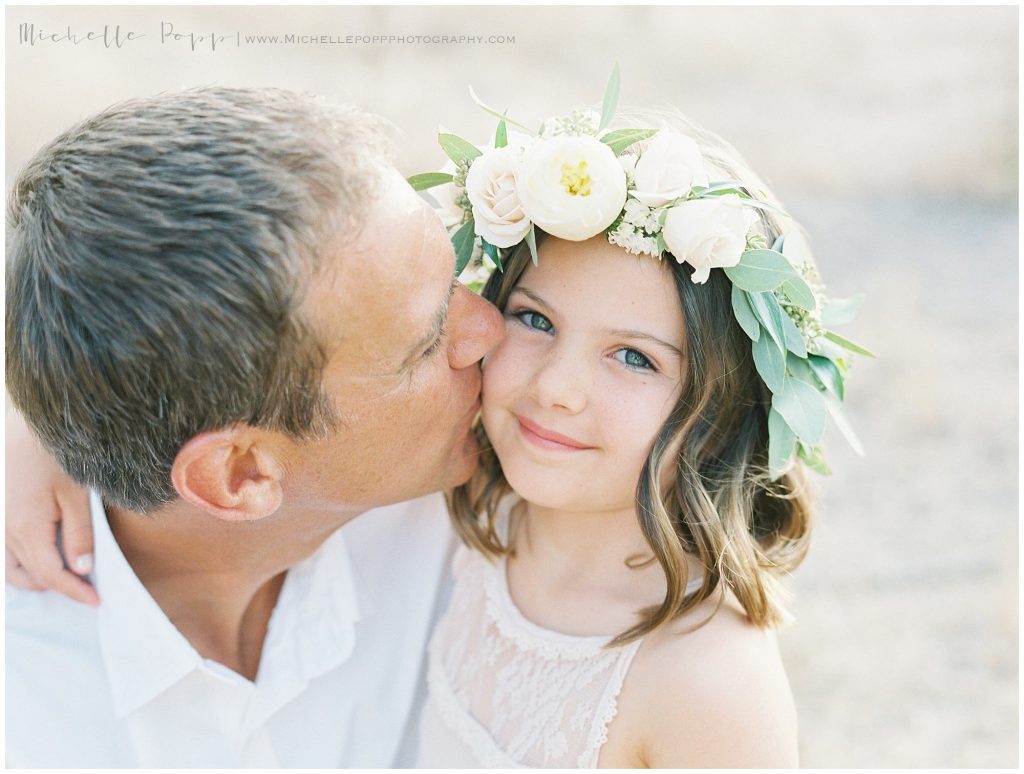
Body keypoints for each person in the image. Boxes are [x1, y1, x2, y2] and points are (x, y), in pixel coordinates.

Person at [4, 86, 503, 767]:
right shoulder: (27, 715)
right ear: (241, 476)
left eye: (456, 274)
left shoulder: (502, 477)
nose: (491, 330)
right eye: (425, 343)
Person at [402, 87, 866, 767]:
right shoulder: (468, 518)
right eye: (536, 319)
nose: (556, 389)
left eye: (633, 357)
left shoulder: (705, 678)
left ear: (723, 406)